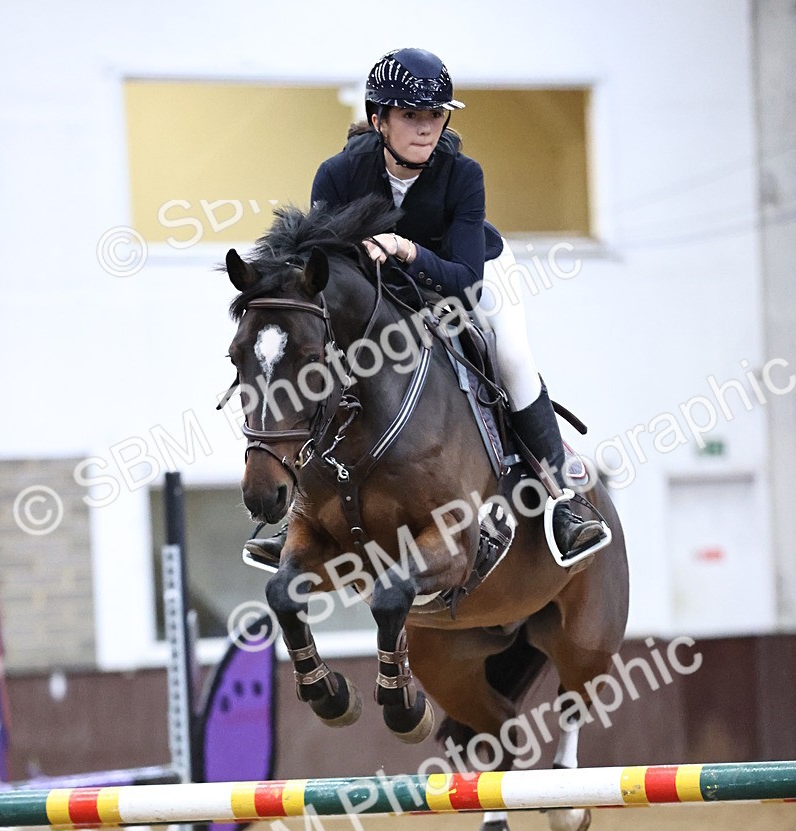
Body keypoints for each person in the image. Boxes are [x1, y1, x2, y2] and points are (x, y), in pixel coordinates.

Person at [247, 47, 608, 567]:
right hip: (383, 294)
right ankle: (301, 514)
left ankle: (563, 499)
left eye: (435, 115)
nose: (426, 128)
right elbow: (322, 273)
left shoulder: (463, 176)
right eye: (411, 115)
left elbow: (463, 283)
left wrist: (406, 249)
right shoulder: (338, 175)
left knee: (513, 359)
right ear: (379, 119)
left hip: (469, 278)